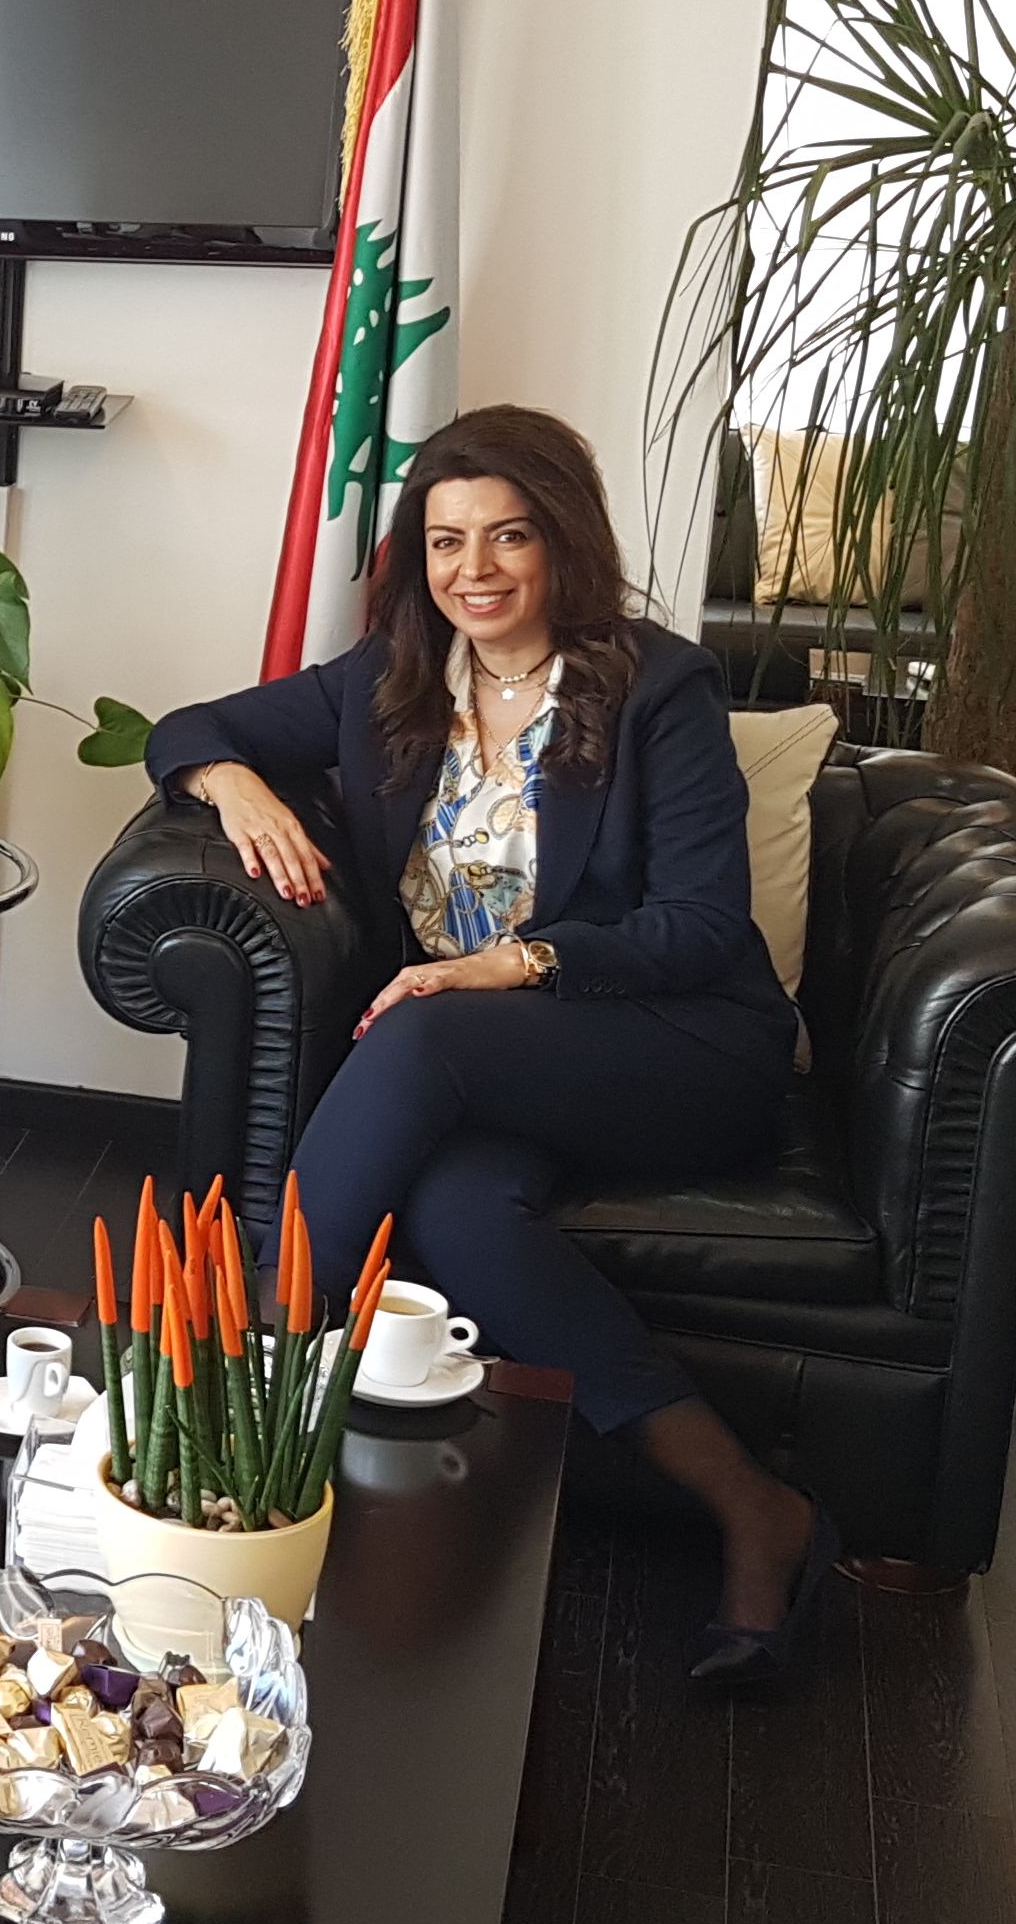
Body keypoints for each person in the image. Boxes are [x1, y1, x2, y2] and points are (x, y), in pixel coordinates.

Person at [144, 406, 835, 1686]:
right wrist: (231, 785)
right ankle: (753, 1504)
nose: (476, 569)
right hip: (502, 1058)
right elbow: (186, 728)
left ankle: (234, 1403)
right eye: (447, 539)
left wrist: (513, 964)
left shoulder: (659, 689)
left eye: (509, 536)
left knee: (423, 1037)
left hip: (681, 1044)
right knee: (460, 1211)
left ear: (563, 541)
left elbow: (700, 925)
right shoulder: (392, 683)